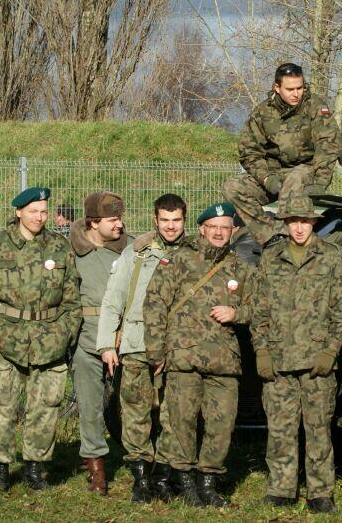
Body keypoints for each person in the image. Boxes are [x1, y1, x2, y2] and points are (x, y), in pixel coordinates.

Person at [0, 187, 82, 491]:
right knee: (1, 405)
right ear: (18, 212)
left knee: (45, 406)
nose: (39, 217)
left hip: (49, 341)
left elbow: (72, 300)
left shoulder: (59, 247)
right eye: (33, 211)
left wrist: (65, 332)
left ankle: (35, 468)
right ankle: (1, 468)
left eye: (44, 211)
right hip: (7, 339)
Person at [144, 202, 254, 508]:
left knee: (222, 425)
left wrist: (237, 313)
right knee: (182, 423)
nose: (218, 233)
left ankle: (208, 483)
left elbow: (259, 308)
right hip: (184, 358)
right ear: (202, 229)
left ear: (233, 231)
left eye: (224, 228)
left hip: (223, 360)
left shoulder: (240, 268)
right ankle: (186, 482)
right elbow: (155, 304)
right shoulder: (179, 260)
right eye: (212, 227)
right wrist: (156, 352)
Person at [250, 195, 342, 513]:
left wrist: (330, 351)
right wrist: (261, 350)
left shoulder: (330, 256)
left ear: (314, 222)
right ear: (285, 223)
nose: (299, 227)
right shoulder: (271, 257)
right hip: (279, 359)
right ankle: (281, 489)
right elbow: (259, 308)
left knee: (318, 429)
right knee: (280, 428)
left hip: (316, 362)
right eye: (293, 221)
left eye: (305, 221)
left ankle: (320, 493)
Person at [96, 193, 189, 503]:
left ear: (185, 221)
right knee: (135, 411)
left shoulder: (194, 254)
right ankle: (141, 477)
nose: (171, 226)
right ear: (155, 220)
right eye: (165, 220)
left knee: (174, 414)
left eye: (176, 220)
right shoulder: (136, 254)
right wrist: (107, 343)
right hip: (137, 343)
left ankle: (164, 474)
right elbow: (113, 299)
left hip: (178, 346)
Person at [223, 62, 340, 246]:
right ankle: (271, 236)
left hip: (307, 170)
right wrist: (266, 179)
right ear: (277, 88)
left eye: (300, 88)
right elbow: (249, 152)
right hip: (273, 174)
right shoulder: (262, 113)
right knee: (233, 187)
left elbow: (328, 146)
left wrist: (320, 182)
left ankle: (290, 242)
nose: (296, 94)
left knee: (294, 179)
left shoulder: (315, 107)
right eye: (290, 89)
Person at [70, 191, 131, 495]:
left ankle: (144, 458)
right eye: (112, 219)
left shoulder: (131, 250)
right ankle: (96, 466)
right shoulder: (72, 252)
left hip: (124, 337)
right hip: (86, 338)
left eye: (120, 218)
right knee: (90, 405)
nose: (120, 224)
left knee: (133, 402)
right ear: (93, 223)